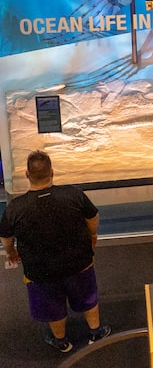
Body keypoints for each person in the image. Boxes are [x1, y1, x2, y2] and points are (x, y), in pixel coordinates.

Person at [0, 150, 111, 353]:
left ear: (26, 174)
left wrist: (11, 252)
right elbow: (93, 217)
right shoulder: (73, 194)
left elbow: (6, 237)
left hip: (41, 272)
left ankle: (61, 341)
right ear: (52, 172)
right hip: (79, 263)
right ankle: (95, 332)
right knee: (87, 296)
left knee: (52, 306)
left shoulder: (15, 208)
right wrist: (92, 236)